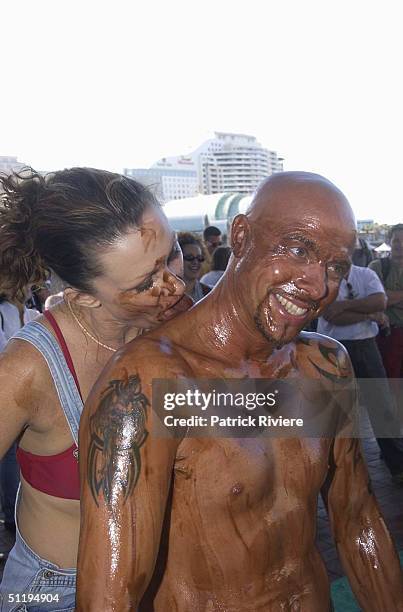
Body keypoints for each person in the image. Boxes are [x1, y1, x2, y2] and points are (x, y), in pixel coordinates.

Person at [77, 172, 403, 611]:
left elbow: (357, 516)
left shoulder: (325, 365)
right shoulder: (146, 385)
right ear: (242, 236)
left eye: (336, 266)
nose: (317, 284)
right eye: (298, 248)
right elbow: (108, 598)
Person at [0, 167, 188, 611]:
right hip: (56, 592)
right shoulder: (29, 369)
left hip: (161, 579)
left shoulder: (176, 322)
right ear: (84, 296)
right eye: (146, 283)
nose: (174, 286)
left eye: (173, 252)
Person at [317, 264, 403, 482]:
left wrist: (345, 306)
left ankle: (398, 465)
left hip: (365, 346)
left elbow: (380, 301)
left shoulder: (366, 274)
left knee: (382, 405)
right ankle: (337, 472)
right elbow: (331, 315)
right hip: (331, 348)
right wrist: (370, 314)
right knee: (335, 411)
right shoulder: (321, 278)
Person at [369, 224, 403, 382]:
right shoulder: (377, 266)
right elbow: (375, 301)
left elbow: (384, 298)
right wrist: (383, 300)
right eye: (397, 240)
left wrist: (388, 297)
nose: (400, 245)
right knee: (390, 379)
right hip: (388, 335)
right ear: (389, 241)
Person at [178, 232, 210, 303]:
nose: (195, 262)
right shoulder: (166, 295)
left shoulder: (209, 293)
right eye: (190, 257)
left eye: (199, 258)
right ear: (178, 260)